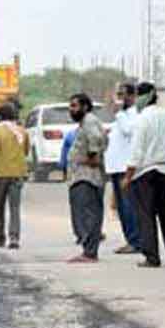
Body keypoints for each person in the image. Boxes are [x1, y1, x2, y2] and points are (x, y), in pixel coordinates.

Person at [124, 81, 165, 268]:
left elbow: (137, 151)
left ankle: (152, 256)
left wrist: (128, 176)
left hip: (145, 172)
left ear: (142, 96)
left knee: (145, 215)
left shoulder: (142, 119)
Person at [65, 94, 107, 264]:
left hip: (86, 177)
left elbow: (96, 139)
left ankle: (89, 253)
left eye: (74, 106)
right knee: (85, 214)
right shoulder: (86, 122)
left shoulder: (89, 121)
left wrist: (91, 157)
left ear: (85, 107)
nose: (71, 109)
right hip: (81, 176)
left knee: (87, 214)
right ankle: (88, 250)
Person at [0, 102, 29, 249]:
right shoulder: (22, 130)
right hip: (18, 172)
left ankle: (0, 237)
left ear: (0, 116)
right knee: (15, 207)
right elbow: (26, 150)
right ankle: (14, 239)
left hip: (1, 172)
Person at [104, 83, 142, 254]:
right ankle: (131, 240)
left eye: (122, 94)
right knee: (122, 207)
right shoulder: (123, 115)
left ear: (133, 96)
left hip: (124, 168)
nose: (119, 98)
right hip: (116, 168)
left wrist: (117, 112)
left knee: (128, 207)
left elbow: (128, 131)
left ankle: (135, 241)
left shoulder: (133, 115)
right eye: (118, 94)